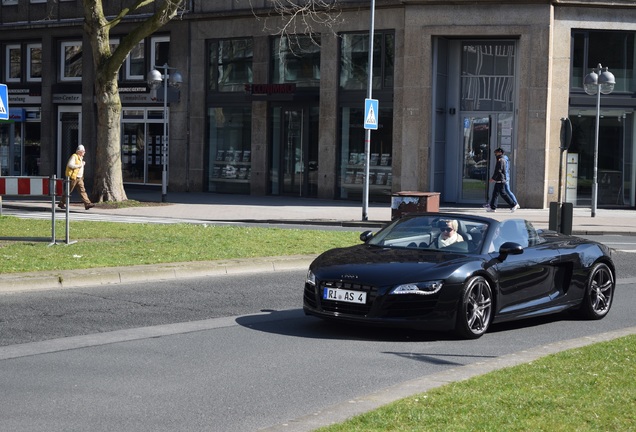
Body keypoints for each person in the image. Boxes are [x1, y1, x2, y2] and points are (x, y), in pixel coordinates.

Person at [58, 144, 95, 210]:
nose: (84, 152)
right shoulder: (74, 156)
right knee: (68, 191)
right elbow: (70, 165)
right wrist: (80, 165)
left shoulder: (80, 158)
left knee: (82, 191)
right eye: (83, 151)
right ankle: (61, 203)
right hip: (73, 177)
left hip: (79, 178)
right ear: (79, 151)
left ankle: (87, 204)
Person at [485, 148, 516, 213]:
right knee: (495, 194)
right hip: (499, 179)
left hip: (501, 179)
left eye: (496, 152)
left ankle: (513, 205)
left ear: (500, 152)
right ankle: (493, 208)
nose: (495, 154)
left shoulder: (501, 160)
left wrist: (493, 178)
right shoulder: (500, 159)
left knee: (503, 194)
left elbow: (498, 170)